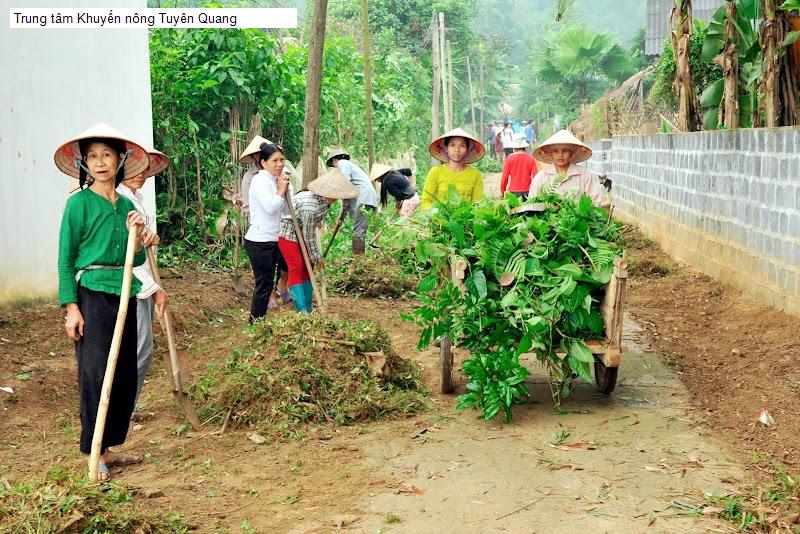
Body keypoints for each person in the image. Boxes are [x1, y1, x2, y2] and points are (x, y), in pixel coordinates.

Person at [55, 123, 151, 481]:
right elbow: (65, 259)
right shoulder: (77, 204)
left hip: (123, 291)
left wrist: (137, 237)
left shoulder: (127, 205)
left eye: (106, 155)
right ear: (83, 163)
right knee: (95, 374)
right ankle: (93, 454)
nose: (99, 162)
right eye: (92, 156)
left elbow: (136, 261)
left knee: (124, 373)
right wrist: (71, 307)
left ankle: (109, 447)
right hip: (91, 293)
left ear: (119, 160)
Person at [116, 148, 171, 418]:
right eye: (135, 170)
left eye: (146, 170)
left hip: (145, 280)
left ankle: (128, 405)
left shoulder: (135, 197)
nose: (141, 175)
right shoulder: (121, 200)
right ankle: (124, 408)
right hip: (136, 284)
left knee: (140, 349)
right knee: (141, 349)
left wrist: (151, 236)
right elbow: (127, 255)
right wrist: (153, 287)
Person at [278, 169, 359, 313]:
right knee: (296, 266)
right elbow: (309, 235)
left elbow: (346, 203)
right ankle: (301, 309)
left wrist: (342, 214)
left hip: (302, 230)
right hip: (288, 233)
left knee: (308, 266)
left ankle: (309, 306)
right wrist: (317, 256)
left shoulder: (327, 201)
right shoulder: (311, 206)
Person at [237, 136, 291, 308]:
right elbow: (270, 207)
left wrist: (285, 188)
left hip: (273, 238)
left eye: (282, 159)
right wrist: (281, 190)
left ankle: (259, 322)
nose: (280, 164)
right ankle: (255, 322)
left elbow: (285, 211)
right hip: (260, 240)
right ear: (263, 162)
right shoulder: (259, 180)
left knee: (269, 281)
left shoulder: (274, 179)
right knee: (264, 286)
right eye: (274, 160)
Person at [528, 129, 608, 207]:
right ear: (551, 154)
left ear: (572, 154)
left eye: (565, 150)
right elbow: (532, 205)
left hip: (579, 220)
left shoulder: (585, 176)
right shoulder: (541, 177)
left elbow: (596, 203)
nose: (560, 155)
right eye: (555, 151)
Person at [325, 148, 378, 255]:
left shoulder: (343, 163)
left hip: (364, 196)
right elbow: (347, 199)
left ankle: (358, 262)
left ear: (335, 160)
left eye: (333, 164)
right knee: (359, 227)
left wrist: (343, 206)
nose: (335, 167)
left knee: (358, 230)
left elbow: (345, 185)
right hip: (366, 196)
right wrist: (341, 217)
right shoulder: (350, 167)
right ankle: (358, 260)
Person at [421, 127, 486, 210]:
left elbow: (478, 203)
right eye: (452, 145)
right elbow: (425, 201)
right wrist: (436, 214)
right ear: (446, 148)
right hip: (440, 221)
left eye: (462, 145)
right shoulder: (435, 172)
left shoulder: (475, 174)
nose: (457, 150)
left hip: (466, 220)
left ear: (467, 149)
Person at [499, 135, 537, 201]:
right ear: (524, 147)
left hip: (513, 192)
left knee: (514, 210)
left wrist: (502, 191)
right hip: (528, 191)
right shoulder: (531, 158)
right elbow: (536, 177)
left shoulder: (510, 158)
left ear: (514, 147)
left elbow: (505, 177)